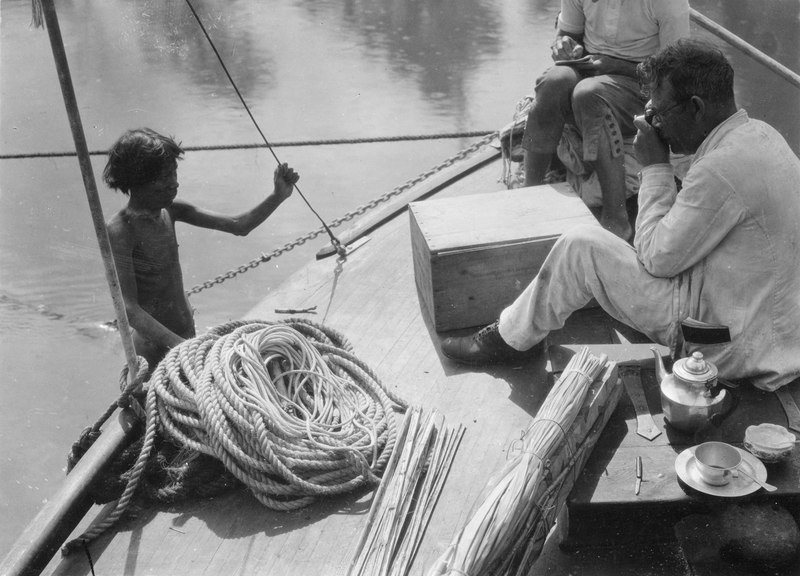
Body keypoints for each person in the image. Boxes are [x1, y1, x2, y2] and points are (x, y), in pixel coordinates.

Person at [442, 40, 800, 392]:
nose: (656, 125)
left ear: (695, 107)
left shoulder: (719, 169)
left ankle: (509, 340)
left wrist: (656, 166)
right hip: (775, 337)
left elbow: (657, 260)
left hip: (726, 351)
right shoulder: (764, 136)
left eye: (659, 115)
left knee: (580, 247)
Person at [103, 128, 300, 370]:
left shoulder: (171, 211)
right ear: (137, 180)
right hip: (154, 351)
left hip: (186, 338)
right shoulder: (121, 230)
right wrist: (183, 348)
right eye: (163, 178)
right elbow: (130, 310)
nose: (174, 184)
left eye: (174, 174)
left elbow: (239, 226)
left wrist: (278, 196)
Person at [522, 0, 689, 240]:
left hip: (645, 86)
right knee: (553, 81)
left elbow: (677, 73)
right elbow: (567, 34)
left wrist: (617, 66)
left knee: (588, 94)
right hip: (590, 69)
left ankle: (616, 218)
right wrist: (564, 46)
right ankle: (529, 193)